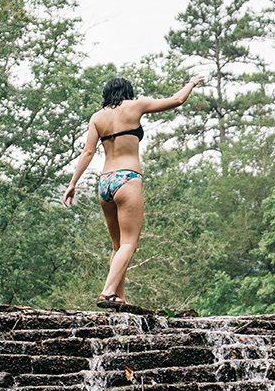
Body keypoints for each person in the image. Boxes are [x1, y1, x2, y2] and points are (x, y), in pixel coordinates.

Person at [61, 74, 204, 308]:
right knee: (129, 243)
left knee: (118, 246)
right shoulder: (135, 105)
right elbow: (177, 100)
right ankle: (107, 292)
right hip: (127, 178)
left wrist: (72, 183)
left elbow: (87, 153)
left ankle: (119, 297)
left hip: (105, 182)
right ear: (128, 92)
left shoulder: (97, 117)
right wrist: (192, 83)